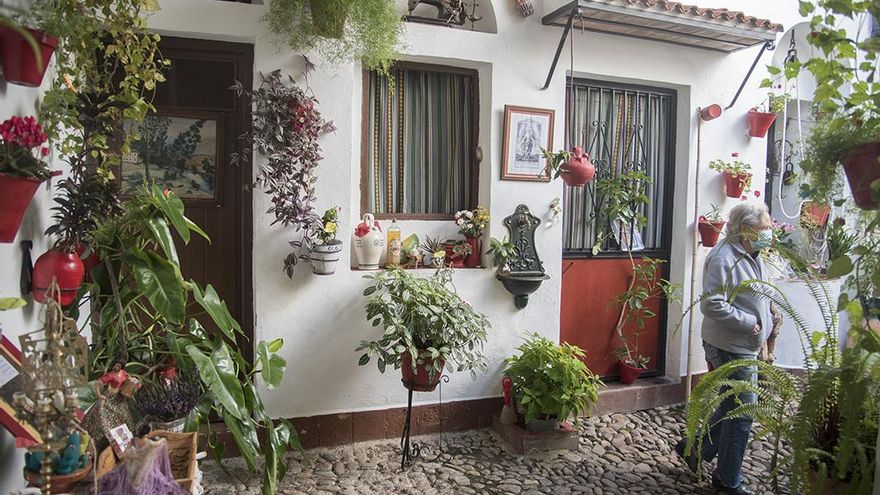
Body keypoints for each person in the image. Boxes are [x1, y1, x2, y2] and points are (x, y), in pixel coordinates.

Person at [675, 202, 774, 495]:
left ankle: (695, 448)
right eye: (764, 229)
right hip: (729, 345)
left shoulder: (752, 254)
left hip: (746, 344)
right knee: (742, 413)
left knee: (733, 406)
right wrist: (750, 323)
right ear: (745, 229)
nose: (768, 233)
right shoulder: (723, 257)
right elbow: (712, 304)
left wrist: (768, 319)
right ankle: (728, 480)